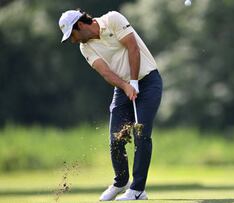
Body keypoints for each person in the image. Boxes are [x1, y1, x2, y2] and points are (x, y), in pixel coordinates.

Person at [58, 9, 162, 201]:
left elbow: (132, 47)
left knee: (141, 134)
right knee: (116, 137)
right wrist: (126, 85)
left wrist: (134, 82)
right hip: (122, 87)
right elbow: (105, 72)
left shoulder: (113, 19)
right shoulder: (85, 47)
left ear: (80, 25)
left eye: (72, 35)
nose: (73, 40)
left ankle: (138, 189)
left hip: (148, 82)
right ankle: (121, 182)